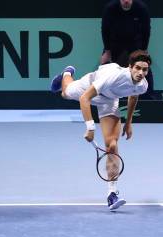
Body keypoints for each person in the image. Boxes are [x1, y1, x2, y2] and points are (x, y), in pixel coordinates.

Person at [49, 50, 151, 210]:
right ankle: (66, 73)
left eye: (144, 70)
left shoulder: (143, 85)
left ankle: (112, 193)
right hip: (90, 88)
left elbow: (133, 95)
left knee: (112, 145)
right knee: (65, 93)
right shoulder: (115, 77)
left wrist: (129, 121)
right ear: (130, 67)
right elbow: (85, 98)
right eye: (137, 68)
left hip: (109, 101)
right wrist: (90, 127)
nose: (141, 73)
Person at [101, 0, 155, 99]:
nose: (126, 1)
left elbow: (146, 30)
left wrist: (143, 49)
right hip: (115, 42)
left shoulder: (141, 8)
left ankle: (148, 97)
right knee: (106, 66)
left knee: (144, 64)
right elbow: (105, 30)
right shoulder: (110, 8)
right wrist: (107, 51)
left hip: (134, 42)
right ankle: (104, 96)